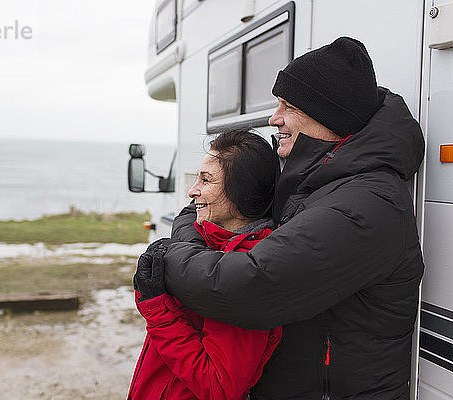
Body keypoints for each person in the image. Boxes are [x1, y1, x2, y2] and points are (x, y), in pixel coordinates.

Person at [152, 37, 426, 399]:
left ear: (329, 116)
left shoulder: (367, 204)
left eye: (289, 106)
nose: (273, 118)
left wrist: (164, 259)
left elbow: (251, 286)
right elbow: (204, 209)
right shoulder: (313, 181)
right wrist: (187, 234)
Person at [128, 129, 282, 400]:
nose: (192, 190)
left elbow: (218, 388)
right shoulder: (207, 244)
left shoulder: (243, 270)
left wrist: (158, 310)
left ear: (241, 193)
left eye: (206, 180)